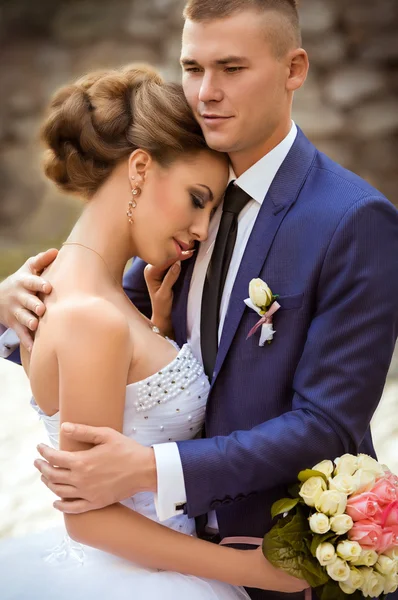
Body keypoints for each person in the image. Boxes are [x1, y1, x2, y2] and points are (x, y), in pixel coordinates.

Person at [1, 1, 398, 599]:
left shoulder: (352, 220)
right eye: (193, 68)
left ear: (294, 69)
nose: (206, 92)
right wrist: (9, 302)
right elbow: (98, 331)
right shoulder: (175, 204)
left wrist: (150, 469)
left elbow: (328, 422)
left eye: (231, 68)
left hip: (286, 564)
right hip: (155, 568)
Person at [0, 64, 309, 599]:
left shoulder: (74, 294)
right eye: (197, 198)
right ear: (140, 167)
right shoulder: (91, 316)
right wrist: (254, 570)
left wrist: (156, 334)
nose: (200, 229)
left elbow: (126, 407)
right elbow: (91, 519)